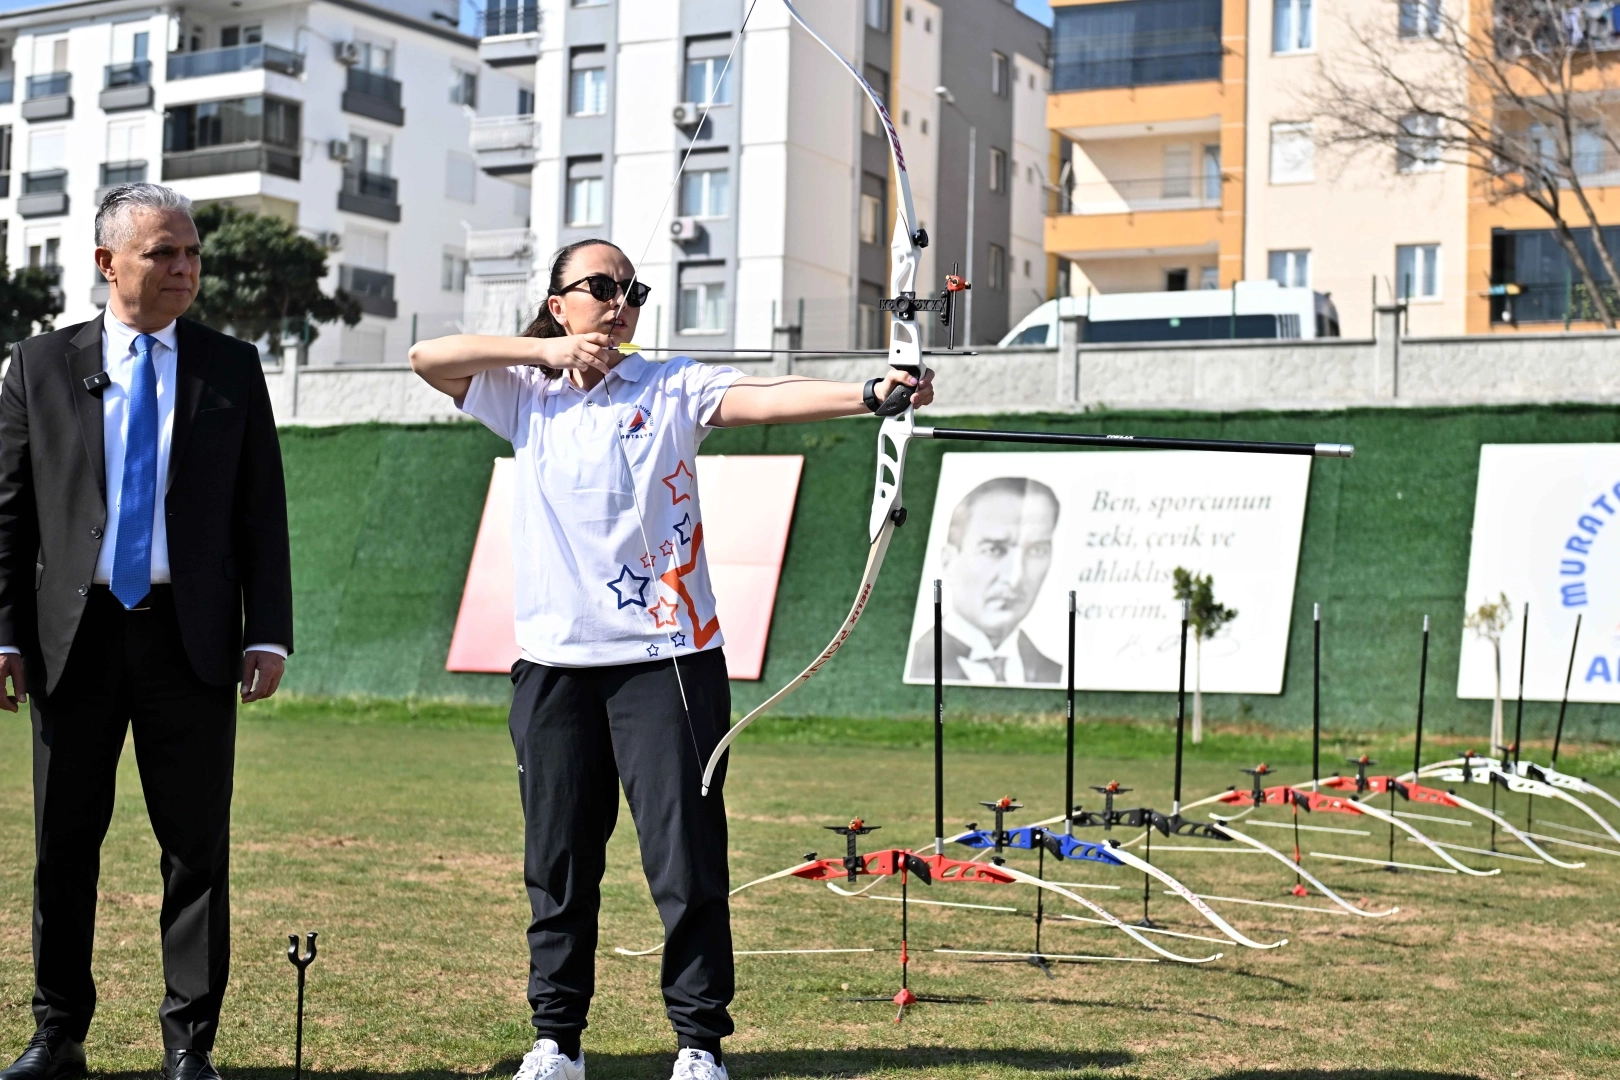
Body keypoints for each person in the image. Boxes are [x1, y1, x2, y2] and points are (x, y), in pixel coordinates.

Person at [409, 238, 933, 1080]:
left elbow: (764, 397)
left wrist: (870, 393)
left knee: (685, 860)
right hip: (553, 665)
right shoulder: (522, 393)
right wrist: (544, 353)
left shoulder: (670, 385)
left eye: (633, 290)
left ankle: (698, 1043)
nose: (620, 302)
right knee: (558, 863)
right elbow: (427, 357)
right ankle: (557, 1040)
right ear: (559, 303)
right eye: (601, 287)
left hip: (668, 659)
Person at [0, 185, 293, 1080]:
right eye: (164, 252)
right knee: (63, 847)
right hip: (72, 640)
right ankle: (57, 1035)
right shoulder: (38, 365)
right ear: (107, 263)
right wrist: (5, 633)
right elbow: (8, 514)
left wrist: (269, 631)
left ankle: (189, 1046)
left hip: (190, 642)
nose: (184, 268)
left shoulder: (231, 367)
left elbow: (261, 510)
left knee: (196, 850)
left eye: (192, 252)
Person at [908, 476, 1062, 685]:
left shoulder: (1056, 673)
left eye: (1037, 551)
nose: (1015, 578)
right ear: (948, 562)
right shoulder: (916, 662)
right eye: (994, 550)